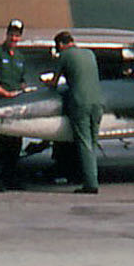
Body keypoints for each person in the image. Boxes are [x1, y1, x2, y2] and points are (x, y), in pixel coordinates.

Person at [52, 30, 103, 194]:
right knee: (93, 142)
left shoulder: (64, 56)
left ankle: (91, 184)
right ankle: (93, 178)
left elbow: (54, 82)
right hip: (97, 103)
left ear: (60, 45)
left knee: (84, 142)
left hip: (80, 104)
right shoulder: (89, 53)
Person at [0, 19, 29, 191]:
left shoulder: (20, 57)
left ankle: (10, 178)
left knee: (15, 142)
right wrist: (5, 93)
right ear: (7, 34)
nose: (14, 39)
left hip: (15, 106)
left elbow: (22, 80)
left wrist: (24, 90)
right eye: (12, 35)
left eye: (17, 36)